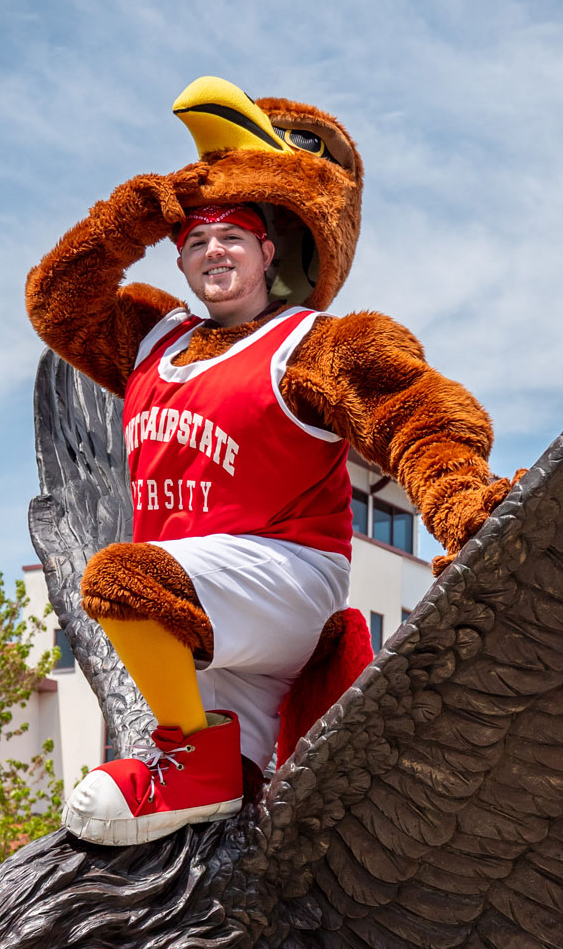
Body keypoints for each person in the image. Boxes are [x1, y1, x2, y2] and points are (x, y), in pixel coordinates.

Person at [26, 77, 512, 844]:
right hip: (202, 615)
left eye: (232, 237)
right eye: (196, 240)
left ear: (268, 251)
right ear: (180, 262)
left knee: (123, 581)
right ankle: (214, 773)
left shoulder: (311, 343)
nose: (212, 250)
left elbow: (418, 416)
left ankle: (189, 755)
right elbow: (56, 303)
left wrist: (465, 509)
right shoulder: (153, 340)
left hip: (282, 576)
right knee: (235, 833)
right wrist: (133, 217)